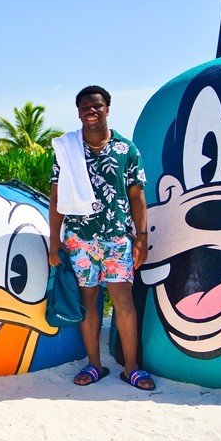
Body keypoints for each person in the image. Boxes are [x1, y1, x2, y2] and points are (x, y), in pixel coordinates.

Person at [48, 85, 155, 391]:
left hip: (116, 239)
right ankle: (94, 365)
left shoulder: (126, 149)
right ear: (78, 112)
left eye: (96, 106)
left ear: (107, 108)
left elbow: (137, 196)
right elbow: (56, 196)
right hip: (79, 240)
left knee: (124, 302)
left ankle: (132, 369)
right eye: (84, 108)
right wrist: (54, 240)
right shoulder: (67, 150)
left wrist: (141, 237)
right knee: (89, 302)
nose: (90, 112)